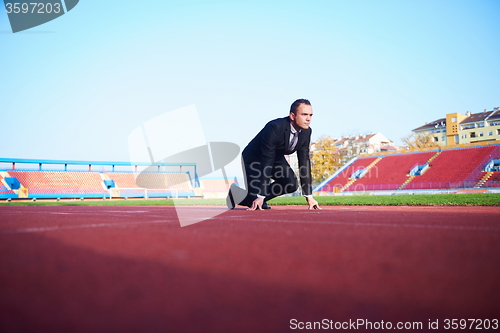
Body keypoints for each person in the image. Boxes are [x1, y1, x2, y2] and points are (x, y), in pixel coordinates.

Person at [227, 99, 321, 211]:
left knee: (290, 184)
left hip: (276, 157)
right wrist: (261, 195)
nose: (308, 119)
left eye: (310, 115)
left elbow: (304, 161)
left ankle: (258, 199)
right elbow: (267, 160)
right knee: (254, 202)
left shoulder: (306, 132)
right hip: (254, 158)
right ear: (292, 116)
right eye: (304, 114)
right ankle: (235, 193)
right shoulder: (275, 127)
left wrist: (308, 196)